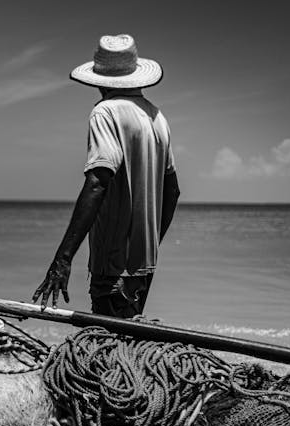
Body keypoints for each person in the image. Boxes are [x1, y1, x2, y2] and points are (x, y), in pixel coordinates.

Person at [32, 34, 180, 318]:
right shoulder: (157, 117)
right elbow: (172, 191)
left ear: (99, 79)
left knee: (106, 343)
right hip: (145, 263)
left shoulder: (105, 113)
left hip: (112, 263)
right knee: (128, 338)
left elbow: (99, 180)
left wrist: (62, 259)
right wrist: (150, 241)